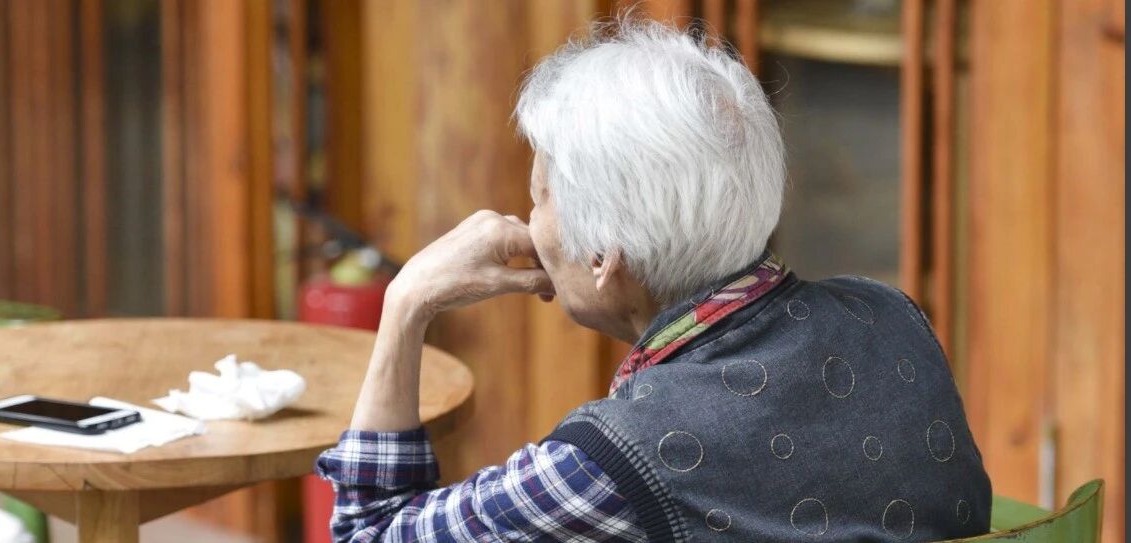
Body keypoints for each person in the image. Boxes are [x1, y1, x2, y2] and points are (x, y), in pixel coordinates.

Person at [315, 19, 991, 542]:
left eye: (541, 196)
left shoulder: (611, 461)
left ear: (605, 253)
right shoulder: (891, 314)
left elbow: (367, 533)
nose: (530, 220)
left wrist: (406, 303)